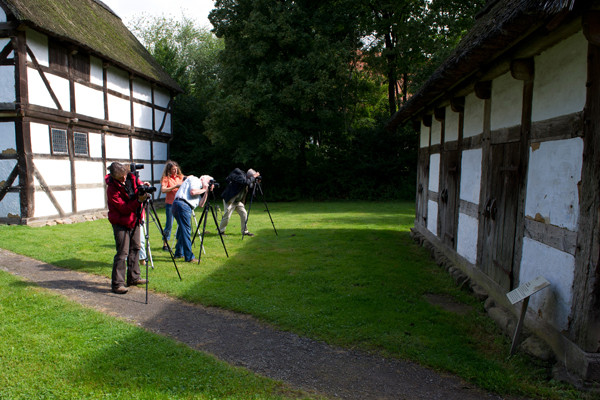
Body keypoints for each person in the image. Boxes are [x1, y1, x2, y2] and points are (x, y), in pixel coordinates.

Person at [105, 162, 149, 294]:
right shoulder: (112, 189)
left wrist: (143, 187)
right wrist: (139, 201)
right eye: (120, 178)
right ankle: (117, 284)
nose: (124, 179)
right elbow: (123, 209)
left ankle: (134, 277)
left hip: (134, 219)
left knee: (135, 247)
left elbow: (137, 186)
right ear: (114, 177)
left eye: (124, 176)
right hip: (120, 222)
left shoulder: (131, 177)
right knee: (122, 252)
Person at [171, 174, 214, 263]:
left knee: (183, 230)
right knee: (186, 231)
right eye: (209, 182)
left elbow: (201, 204)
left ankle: (179, 253)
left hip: (179, 205)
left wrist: (206, 192)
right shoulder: (195, 180)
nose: (208, 184)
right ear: (203, 179)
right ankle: (189, 257)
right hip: (182, 205)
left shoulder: (199, 188)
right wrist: (204, 189)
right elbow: (193, 192)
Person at [218, 168, 260, 237]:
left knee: (244, 214)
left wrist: (256, 182)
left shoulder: (248, 180)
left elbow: (250, 185)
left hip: (237, 201)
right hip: (230, 200)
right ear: (249, 176)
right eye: (252, 177)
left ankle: (245, 231)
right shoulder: (240, 176)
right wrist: (254, 177)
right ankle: (221, 232)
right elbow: (245, 182)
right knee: (227, 216)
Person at [160, 160, 185, 250]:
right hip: (170, 204)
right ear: (169, 170)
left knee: (180, 223)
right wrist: (175, 187)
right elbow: (163, 190)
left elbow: (188, 179)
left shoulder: (180, 177)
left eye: (176, 169)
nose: (175, 171)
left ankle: (178, 242)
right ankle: (165, 244)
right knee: (169, 224)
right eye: (173, 169)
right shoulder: (166, 178)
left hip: (180, 203)